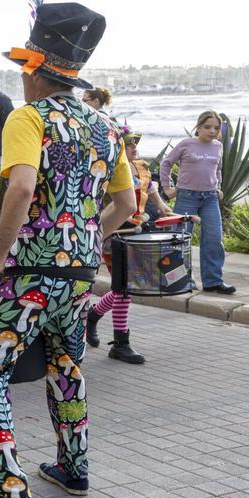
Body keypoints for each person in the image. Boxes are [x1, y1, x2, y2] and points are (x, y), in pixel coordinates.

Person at [0, 1, 136, 498]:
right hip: (79, 274)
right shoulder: (105, 128)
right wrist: (82, 237)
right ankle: (73, 466)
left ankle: (11, 487)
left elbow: (21, 186)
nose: (20, 78)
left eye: (23, 68)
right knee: (66, 364)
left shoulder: (28, 117)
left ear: (36, 71)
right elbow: (126, 206)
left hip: (29, 273)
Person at [87, 127, 172, 364]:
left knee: (125, 287)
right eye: (130, 144)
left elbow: (152, 193)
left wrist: (166, 210)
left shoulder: (142, 168)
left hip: (135, 234)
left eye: (136, 144)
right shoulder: (107, 168)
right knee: (124, 287)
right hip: (113, 234)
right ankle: (120, 343)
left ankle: (94, 315)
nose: (134, 148)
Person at [160, 110, 234, 294]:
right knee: (180, 239)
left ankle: (213, 281)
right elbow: (166, 163)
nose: (212, 131)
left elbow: (217, 169)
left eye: (216, 128)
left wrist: (218, 187)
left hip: (210, 198)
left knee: (214, 239)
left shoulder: (218, 146)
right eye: (207, 127)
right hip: (187, 197)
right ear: (198, 127)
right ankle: (179, 282)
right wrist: (168, 188)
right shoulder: (186, 144)